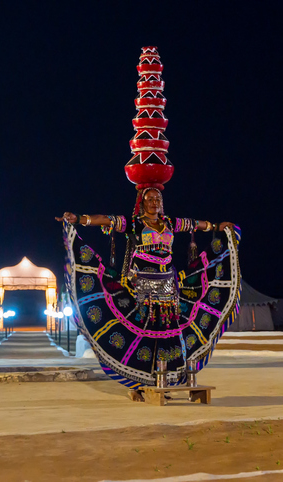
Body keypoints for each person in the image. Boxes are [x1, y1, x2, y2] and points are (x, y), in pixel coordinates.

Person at [55, 46, 241, 400]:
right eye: (150, 198)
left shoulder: (171, 222)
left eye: (158, 197)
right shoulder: (134, 223)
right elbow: (104, 220)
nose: (155, 201)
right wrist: (78, 219)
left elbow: (198, 227)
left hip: (169, 287)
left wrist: (220, 228)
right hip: (141, 287)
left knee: (173, 336)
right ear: (142, 200)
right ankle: (141, 384)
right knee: (140, 336)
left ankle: (172, 381)